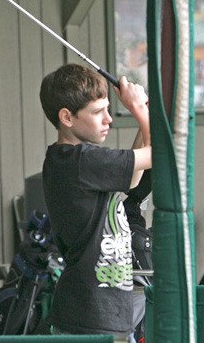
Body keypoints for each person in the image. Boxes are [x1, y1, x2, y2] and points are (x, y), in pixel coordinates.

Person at [39, 63, 151, 341]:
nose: (108, 119)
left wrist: (144, 117)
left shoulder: (77, 161)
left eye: (108, 110)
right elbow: (161, 153)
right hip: (89, 319)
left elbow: (132, 179)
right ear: (66, 117)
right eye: (98, 112)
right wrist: (140, 110)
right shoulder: (80, 161)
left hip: (102, 315)